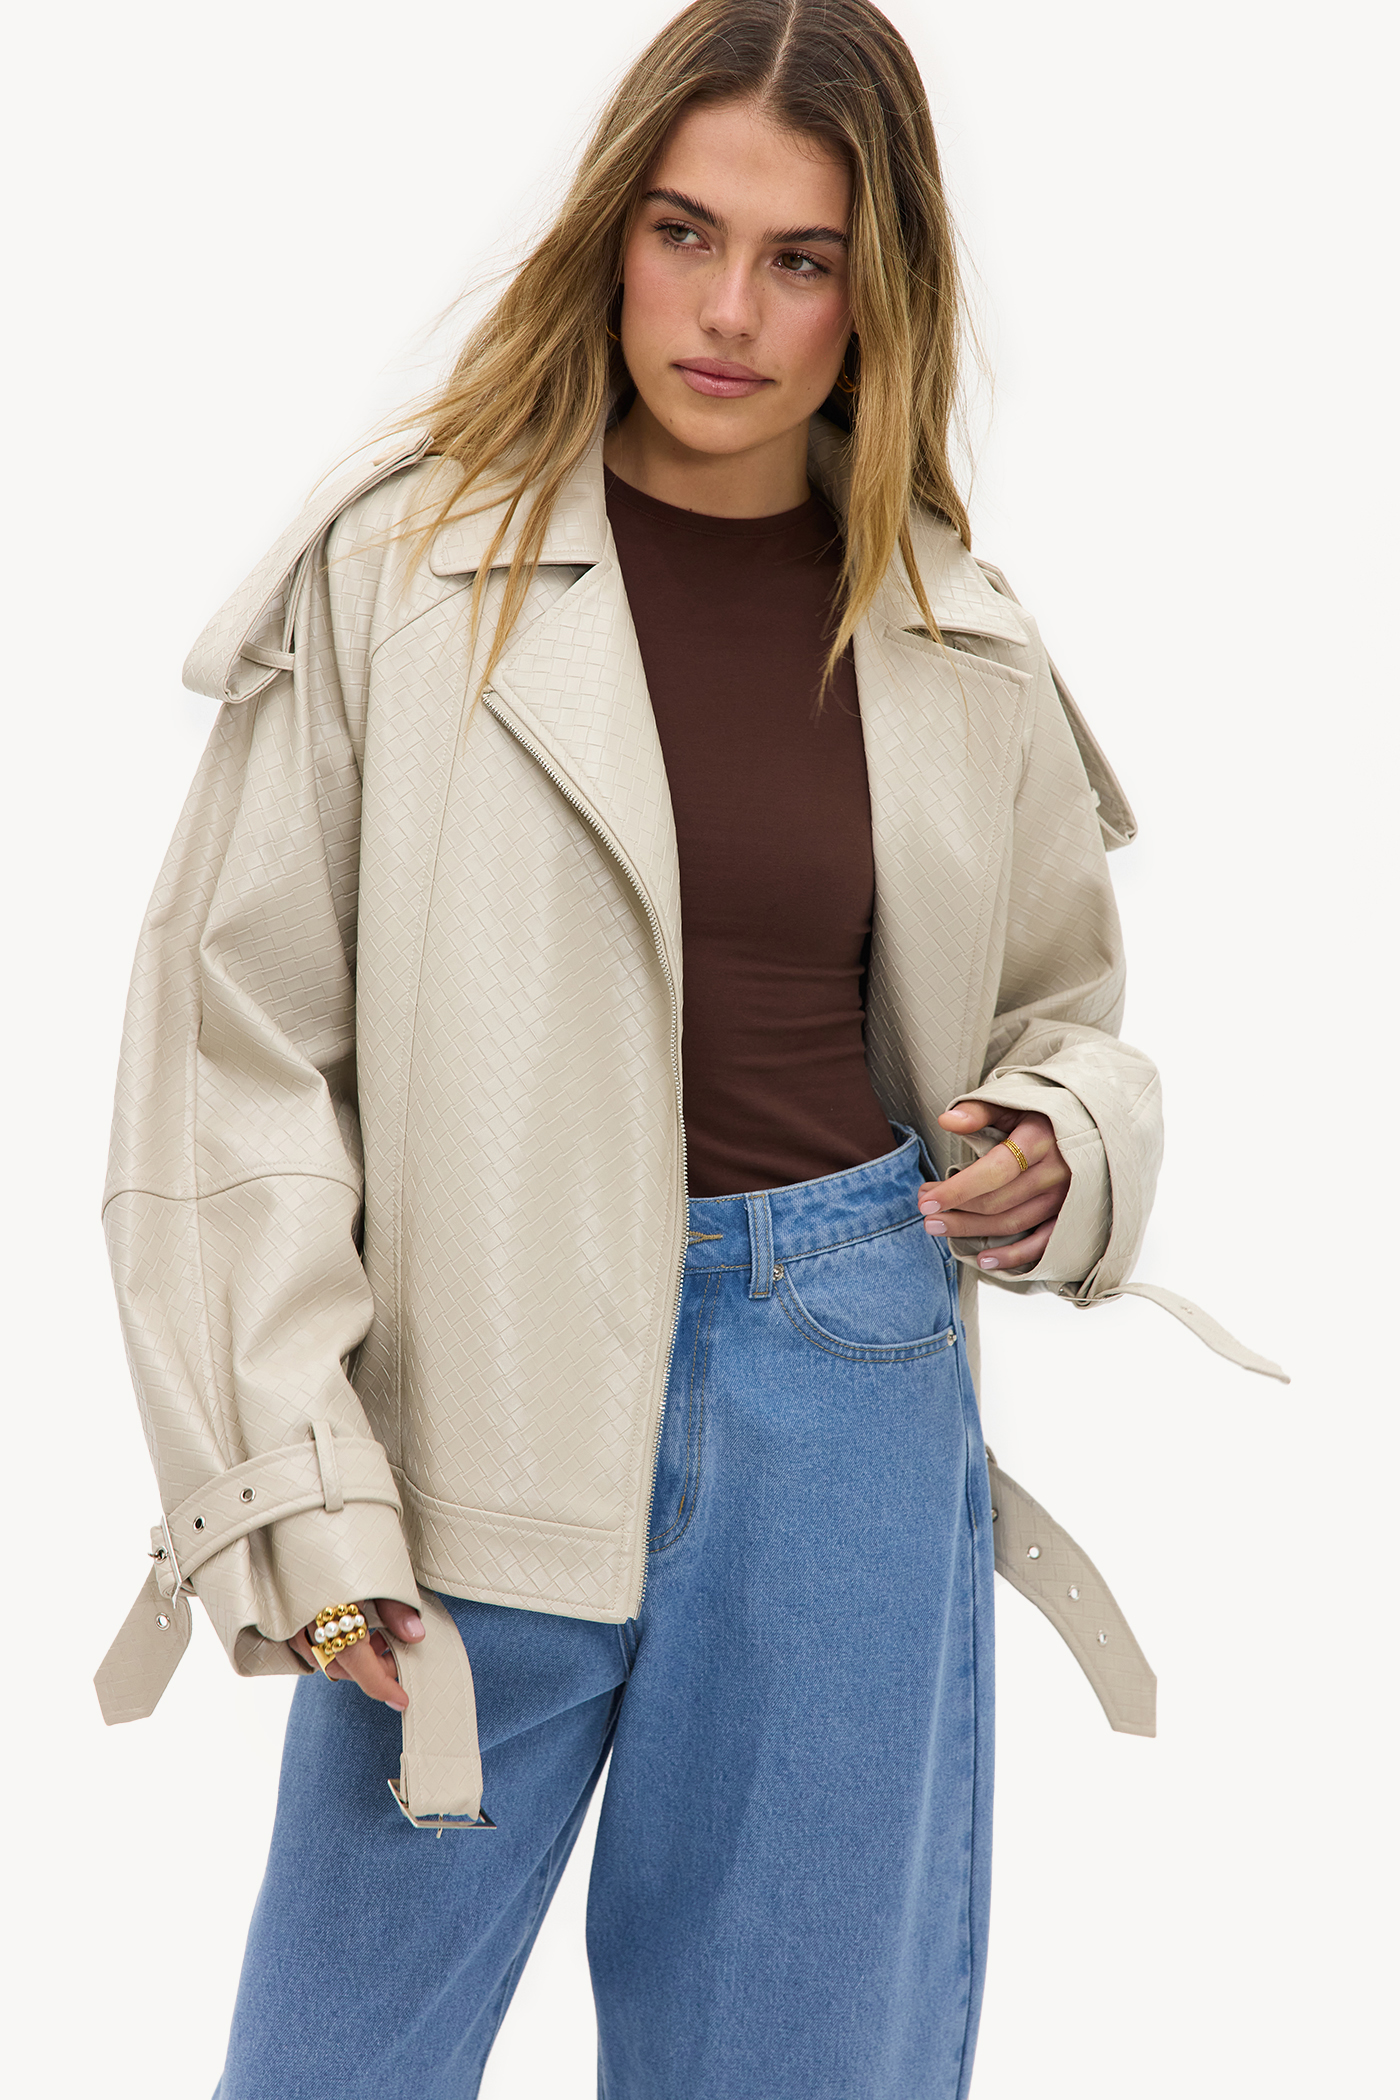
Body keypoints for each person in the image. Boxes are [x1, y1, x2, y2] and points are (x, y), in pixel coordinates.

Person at [94, 3, 1282, 2094]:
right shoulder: (403, 571)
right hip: (467, 1417)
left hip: (849, 1386)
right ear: (612, 236)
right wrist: (300, 1488)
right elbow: (232, 1054)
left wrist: (1052, 1138)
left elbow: (1055, 1012)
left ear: (875, 291)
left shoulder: (955, 629)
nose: (730, 311)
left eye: (800, 258)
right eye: (685, 233)